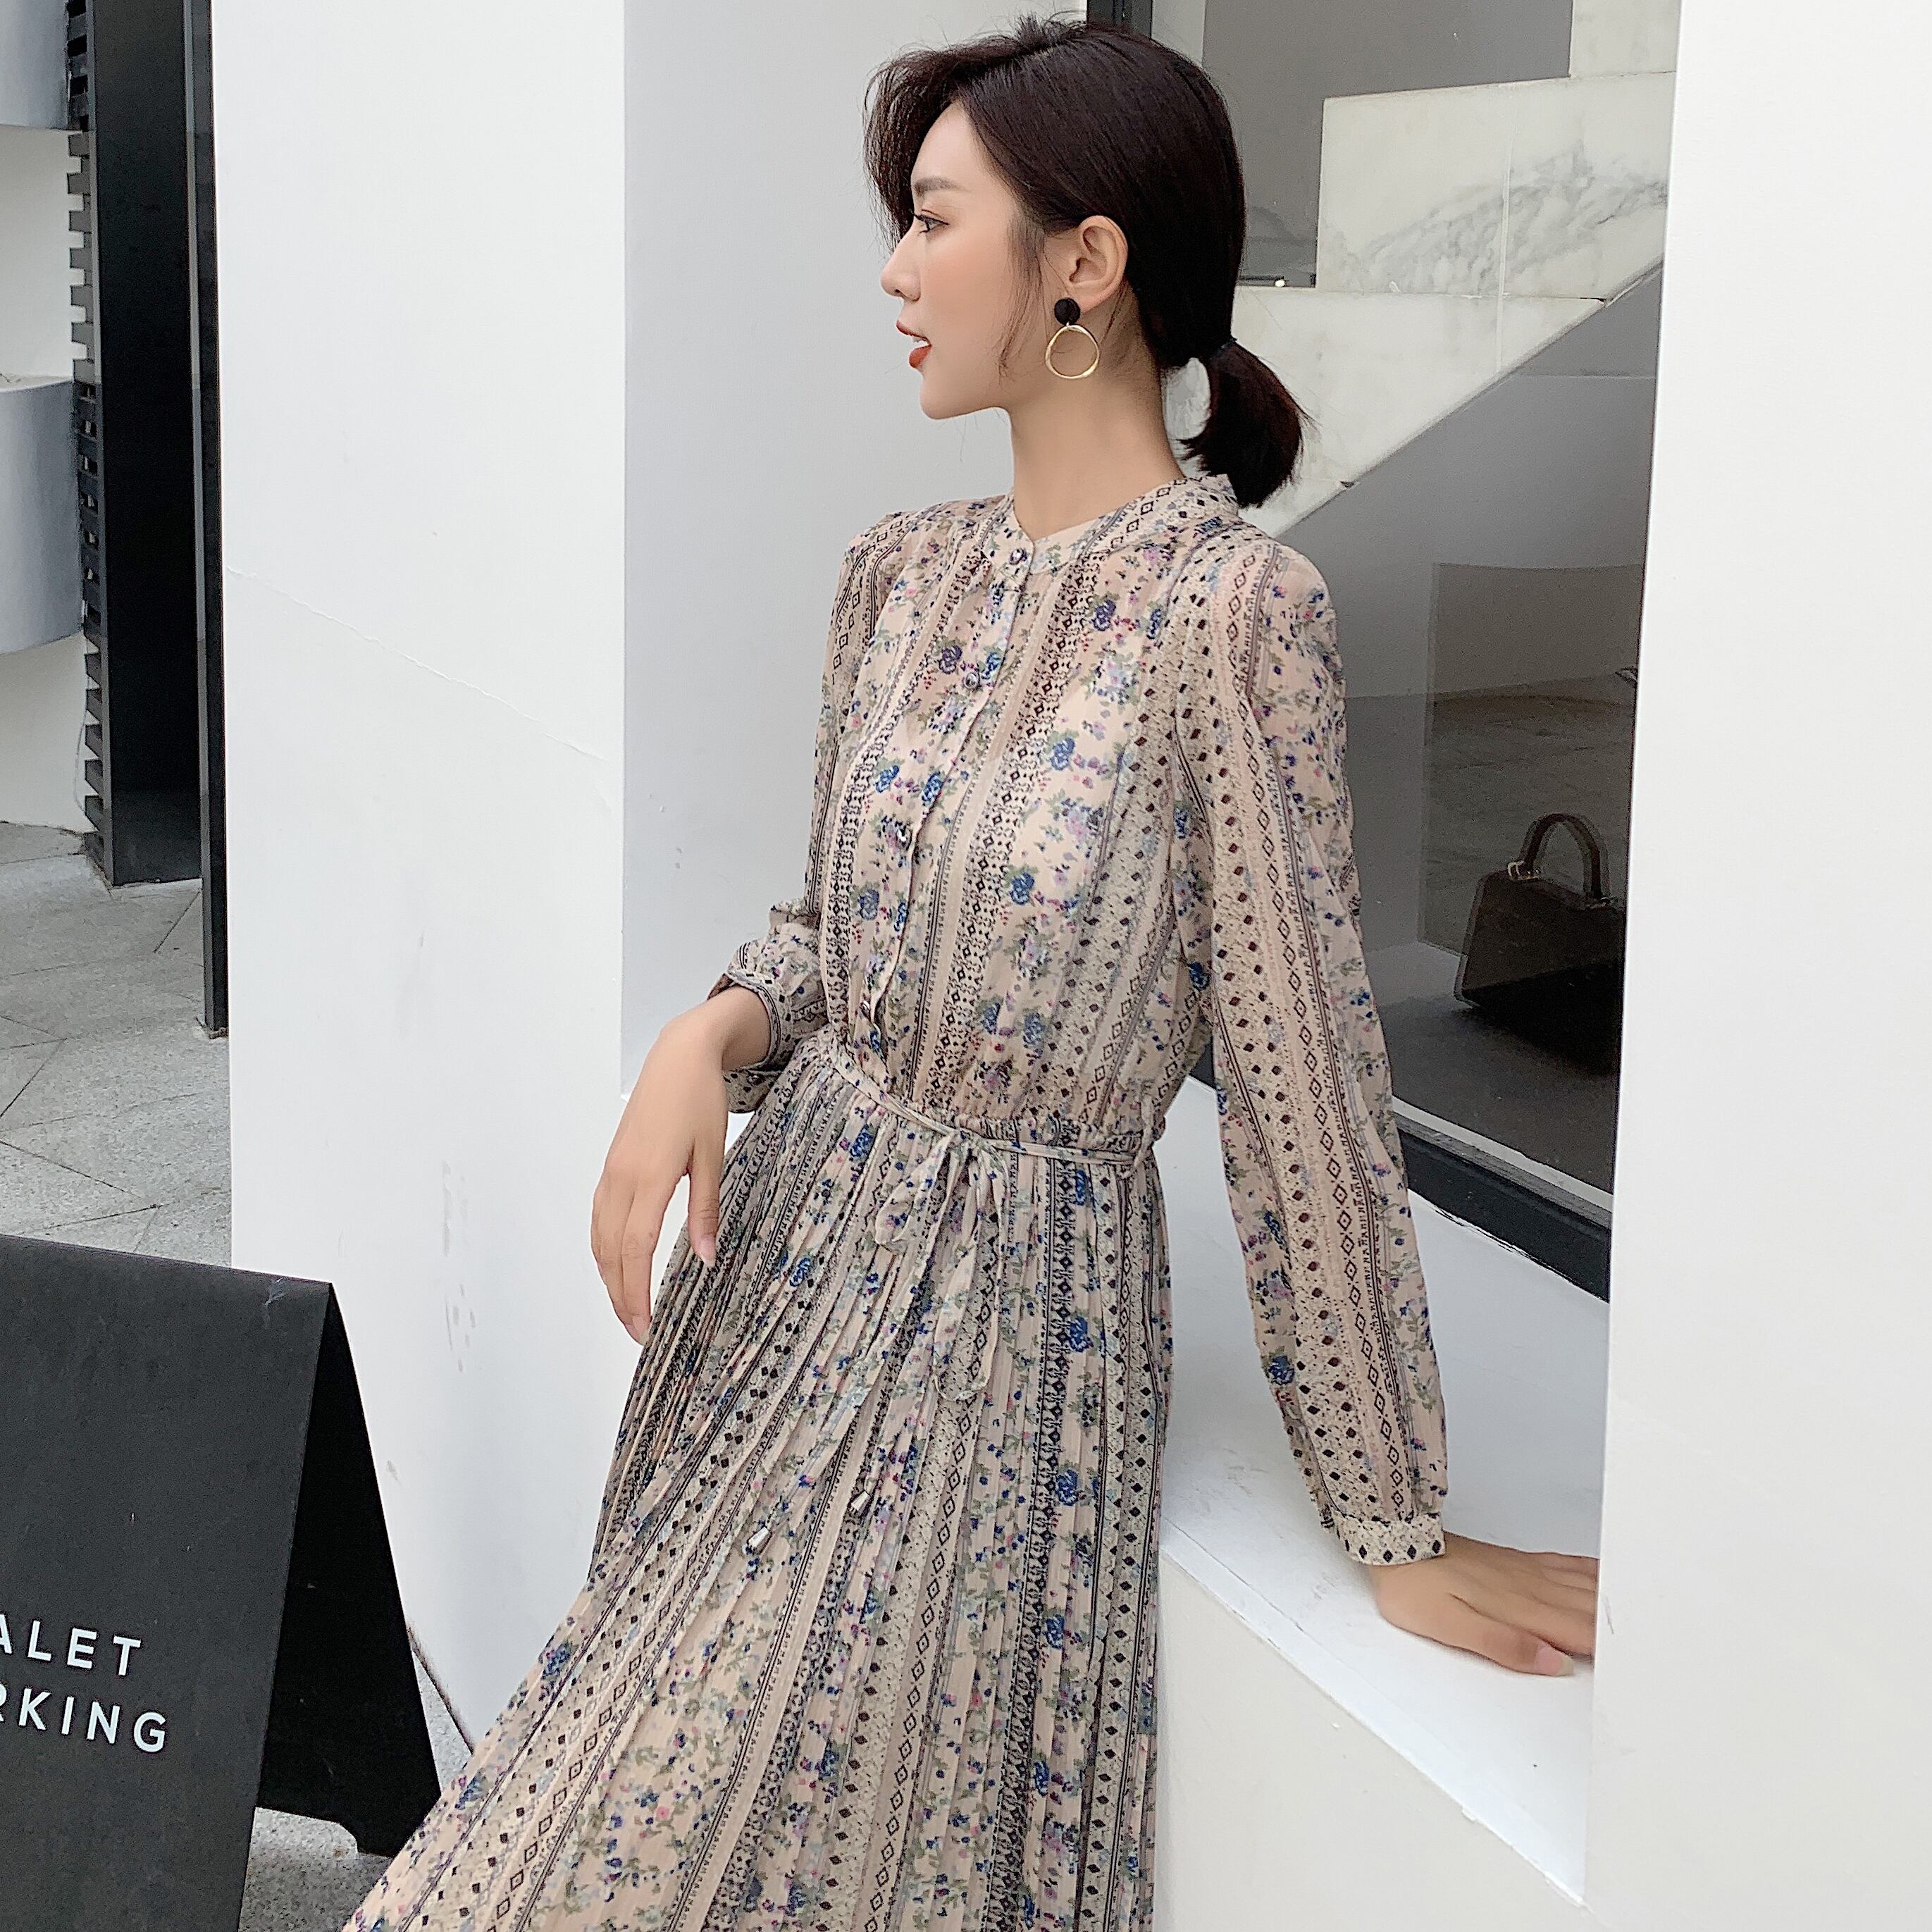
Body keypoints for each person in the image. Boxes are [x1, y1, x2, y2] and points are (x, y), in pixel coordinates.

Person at [347, 16, 1598, 1931]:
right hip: (781, 1277)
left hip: (1002, 1341)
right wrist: (712, 1032)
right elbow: (836, 931)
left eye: (934, 221)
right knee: (582, 1806)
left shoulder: (1237, 616)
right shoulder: (897, 575)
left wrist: (1392, 1517)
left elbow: (1304, 1082)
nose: (894, 270)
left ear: (1084, 263)